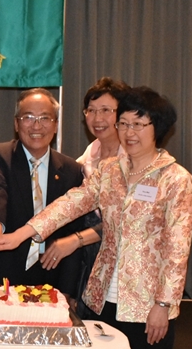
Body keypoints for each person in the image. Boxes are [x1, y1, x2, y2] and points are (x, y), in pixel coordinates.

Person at [0, 87, 192, 349]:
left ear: (157, 127)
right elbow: (69, 204)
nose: (129, 132)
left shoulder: (176, 179)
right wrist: (21, 234)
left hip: (146, 305)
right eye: (124, 124)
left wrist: (163, 304)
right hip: (101, 299)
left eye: (139, 124)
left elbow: (177, 250)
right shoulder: (109, 171)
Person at [0, 88, 86, 303]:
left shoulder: (72, 169)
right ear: (16, 124)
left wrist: (66, 291)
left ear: (55, 124)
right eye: (28, 117)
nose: (37, 126)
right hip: (0, 276)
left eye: (45, 118)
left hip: (50, 278)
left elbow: (73, 231)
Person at [41, 77, 130, 318]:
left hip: (126, 266)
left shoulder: (135, 159)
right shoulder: (86, 159)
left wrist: (75, 240)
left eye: (106, 110)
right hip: (90, 265)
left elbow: (126, 220)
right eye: (91, 110)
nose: (97, 118)